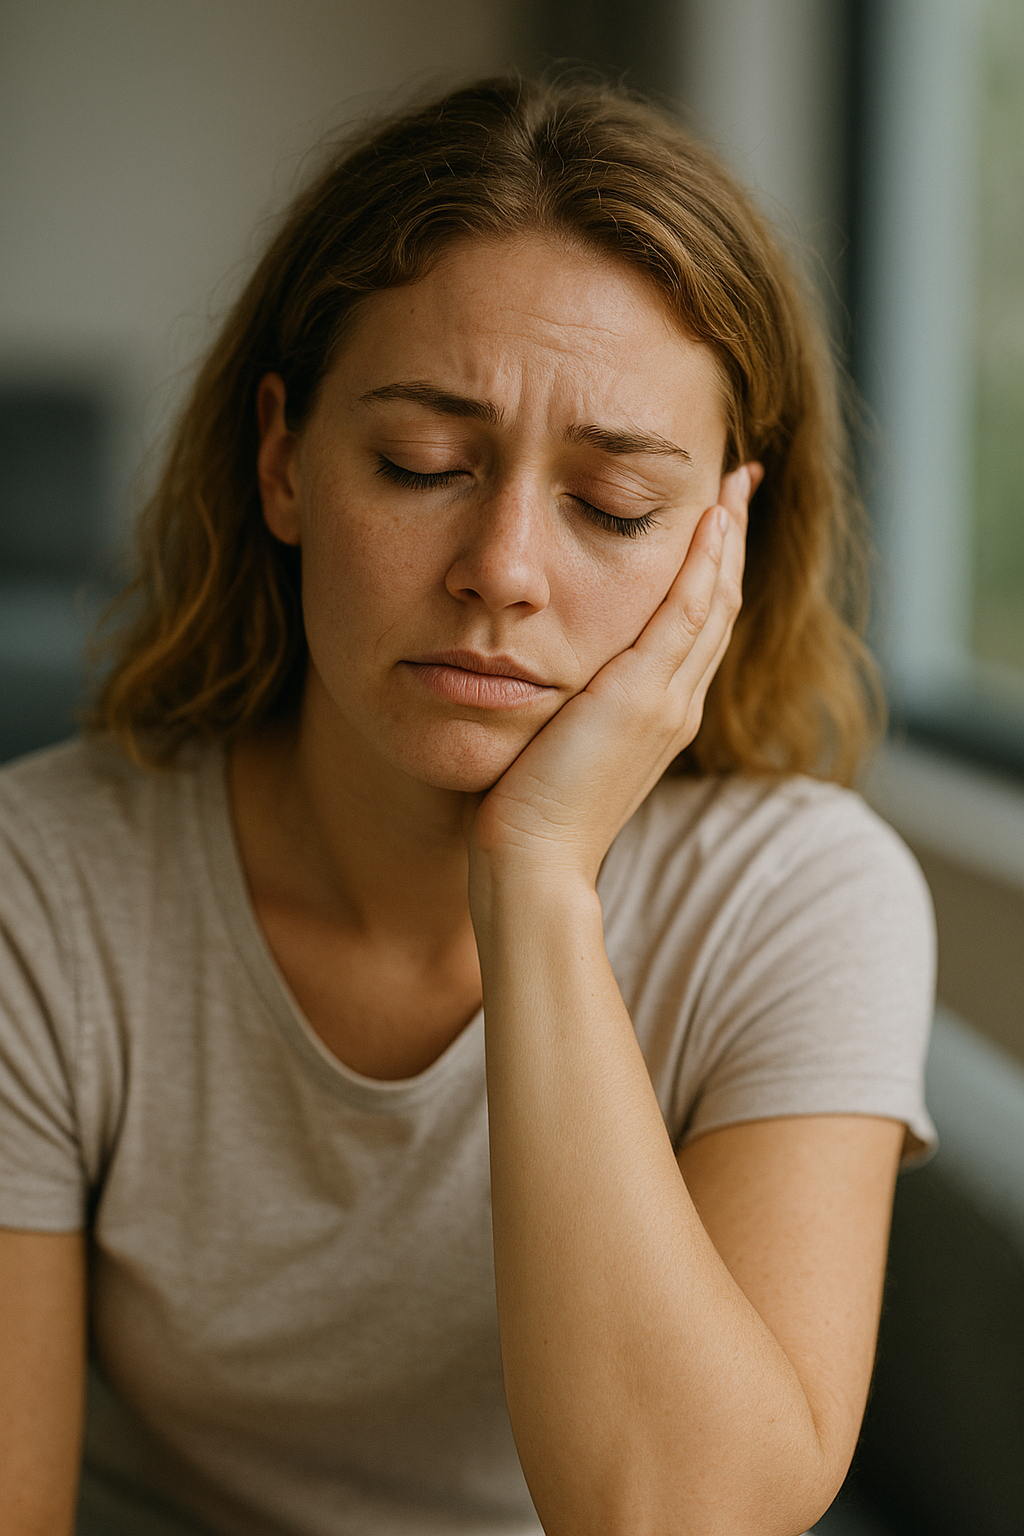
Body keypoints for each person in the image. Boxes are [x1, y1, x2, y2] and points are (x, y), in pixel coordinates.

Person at [0, 76, 935, 1536]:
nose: (502, 567)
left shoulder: (802, 899)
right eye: (422, 463)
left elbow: (685, 1518)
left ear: (726, 543)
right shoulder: (42, 887)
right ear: (281, 459)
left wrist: (541, 877)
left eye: (614, 505)